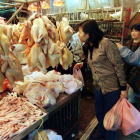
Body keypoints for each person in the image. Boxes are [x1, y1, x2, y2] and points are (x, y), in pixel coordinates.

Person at [74, 20, 127, 140]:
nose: (78, 35)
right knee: (99, 113)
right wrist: (84, 64)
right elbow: (97, 63)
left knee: (111, 118)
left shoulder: (107, 43)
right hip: (98, 87)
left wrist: (123, 88)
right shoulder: (90, 46)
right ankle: (102, 134)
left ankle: (110, 138)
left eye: (80, 32)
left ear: (88, 34)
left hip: (111, 89)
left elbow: (119, 66)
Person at [121, 23, 140, 107]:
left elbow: (134, 59)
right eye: (132, 31)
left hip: (136, 77)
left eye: (136, 31)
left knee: (133, 100)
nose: (133, 33)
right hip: (126, 73)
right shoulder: (128, 43)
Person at [117, 43, 140, 111]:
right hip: (135, 82)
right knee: (132, 104)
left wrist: (121, 48)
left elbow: (134, 58)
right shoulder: (129, 42)